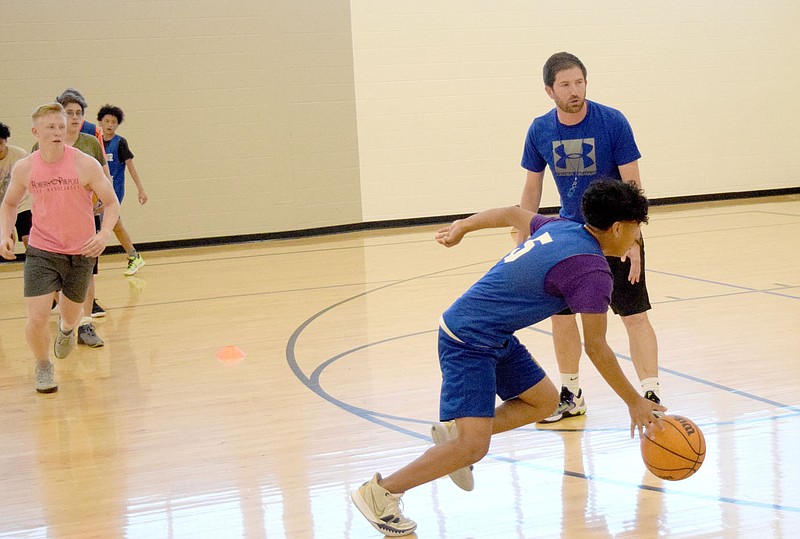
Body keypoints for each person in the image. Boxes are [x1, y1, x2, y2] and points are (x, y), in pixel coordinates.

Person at [350, 180, 666, 537]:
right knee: (473, 447)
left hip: (490, 332)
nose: (636, 238)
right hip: (468, 338)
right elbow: (596, 347)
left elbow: (511, 213)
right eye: (637, 229)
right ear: (619, 227)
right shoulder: (592, 271)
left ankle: (454, 432)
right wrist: (634, 402)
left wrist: (462, 227)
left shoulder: (561, 227)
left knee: (545, 401)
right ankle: (381, 492)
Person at [519, 52, 662, 424]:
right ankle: (571, 395)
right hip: (570, 237)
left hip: (616, 232)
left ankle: (651, 393)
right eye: (565, 85)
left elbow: (633, 182)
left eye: (579, 82)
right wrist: (522, 238)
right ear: (549, 90)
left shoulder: (612, 121)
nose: (574, 90)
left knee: (633, 314)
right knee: (562, 317)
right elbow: (532, 189)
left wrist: (634, 239)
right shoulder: (539, 130)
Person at [0, 102, 120, 393]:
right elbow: (10, 203)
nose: (57, 132)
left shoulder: (84, 163)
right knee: (38, 316)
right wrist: (4, 234)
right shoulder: (25, 167)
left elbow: (112, 202)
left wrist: (104, 234)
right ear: (36, 132)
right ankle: (43, 366)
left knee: (70, 315)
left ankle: (67, 330)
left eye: (61, 126)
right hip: (42, 249)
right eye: (50, 127)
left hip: (81, 251)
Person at [97, 104, 146, 275]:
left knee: (104, 224)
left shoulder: (120, 143)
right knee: (116, 226)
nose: (110, 124)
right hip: (97, 192)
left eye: (114, 122)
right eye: (107, 121)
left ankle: (133, 256)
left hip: (114, 192)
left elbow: (131, 167)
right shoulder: (95, 142)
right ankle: (134, 256)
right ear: (100, 123)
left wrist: (140, 189)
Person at [0, 123, 31, 248]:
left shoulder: (19, 155)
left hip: (22, 202)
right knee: (6, 239)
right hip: (3, 204)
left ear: (5, 141)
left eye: (0, 143)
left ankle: (34, 263)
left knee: (28, 237)